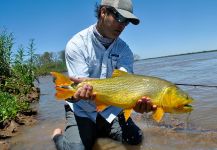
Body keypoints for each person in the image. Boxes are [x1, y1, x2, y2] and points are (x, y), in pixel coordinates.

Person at [52, 0, 157, 150]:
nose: (122, 25)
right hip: (82, 111)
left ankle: (99, 132)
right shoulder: (76, 44)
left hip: (112, 109)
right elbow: (73, 93)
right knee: (76, 148)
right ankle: (57, 136)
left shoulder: (124, 50)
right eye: (119, 18)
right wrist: (75, 94)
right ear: (103, 12)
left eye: (126, 22)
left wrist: (136, 104)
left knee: (135, 139)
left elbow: (127, 86)